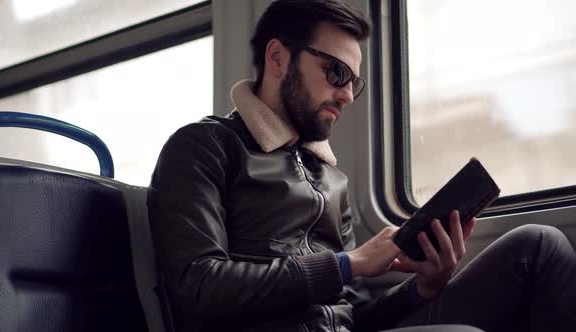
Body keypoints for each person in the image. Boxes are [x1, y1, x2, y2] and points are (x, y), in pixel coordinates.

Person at [147, 1, 576, 331]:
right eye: (335, 73)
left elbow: (353, 316)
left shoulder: (331, 180)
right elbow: (199, 287)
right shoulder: (204, 148)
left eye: (354, 80)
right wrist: (347, 264)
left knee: (538, 247)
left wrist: (424, 286)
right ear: (278, 59)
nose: (348, 95)